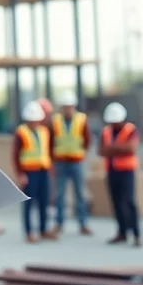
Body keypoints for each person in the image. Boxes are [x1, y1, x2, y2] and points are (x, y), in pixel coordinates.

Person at [48, 90, 92, 236]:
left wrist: (80, 153)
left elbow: (87, 140)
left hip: (76, 161)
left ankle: (83, 223)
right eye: (65, 107)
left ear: (74, 106)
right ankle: (59, 223)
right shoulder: (56, 121)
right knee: (60, 195)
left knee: (80, 193)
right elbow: (50, 142)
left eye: (70, 106)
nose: (67, 109)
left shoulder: (81, 120)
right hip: (60, 162)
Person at [99, 102, 141, 246]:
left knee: (129, 202)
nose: (114, 124)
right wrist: (118, 149)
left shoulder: (131, 130)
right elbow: (101, 150)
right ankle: (122, 232)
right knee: (116, 203)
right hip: (112, 171)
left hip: (127, 171)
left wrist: (111, 149)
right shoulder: (106, 131)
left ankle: (136, 234)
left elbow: (131, 148)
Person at [14, 101, 56, 243]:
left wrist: (51, 167)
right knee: (28, 203)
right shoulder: (21, 132)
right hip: (29, 172)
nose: (34, 122)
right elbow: (16, 155)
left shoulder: (44, 131)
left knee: (44, 201)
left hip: (43, 170)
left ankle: (43, 229)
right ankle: (29, 232)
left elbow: (48, 150)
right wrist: (21, 174)